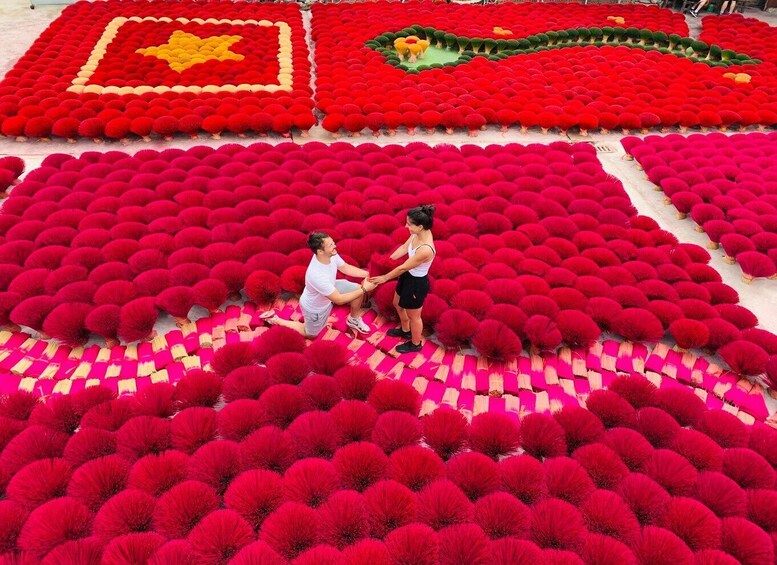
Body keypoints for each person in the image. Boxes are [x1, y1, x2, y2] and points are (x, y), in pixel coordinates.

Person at [267, 232, 376, 338]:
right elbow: (339, 299)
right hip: (316, 307)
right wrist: (365, 289)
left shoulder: (331, 254)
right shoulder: (317, 275)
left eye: (333, 242)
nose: (335, 246)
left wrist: (368, 274)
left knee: (356, 289)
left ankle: (354, 319)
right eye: (330, 245)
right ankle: (276, 320)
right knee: (310, 334)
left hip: (330, 288)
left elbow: (345, 267)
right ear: (320, 251)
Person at [370, 205, 436, 354]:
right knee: (397, 304)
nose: (406, 226)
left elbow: (403, 267)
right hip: (408, 276)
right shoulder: (417, 234)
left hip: (416, 284)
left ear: (420, 227)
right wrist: (385, 261)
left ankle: (415, 343)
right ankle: (405, 330)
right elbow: (404, 248)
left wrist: (384, 277)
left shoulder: (425, 249)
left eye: (409, 224)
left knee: (414, 316)